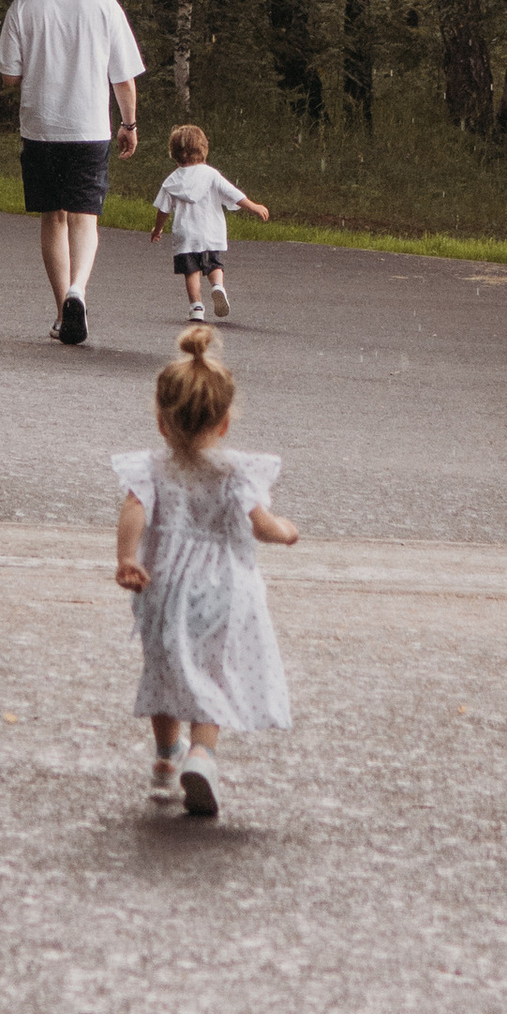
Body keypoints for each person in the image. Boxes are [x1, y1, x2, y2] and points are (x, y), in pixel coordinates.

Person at [113, 326, 299, 820]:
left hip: (163, 584)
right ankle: (202, 754)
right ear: (224, 423)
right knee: (212, 668)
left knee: (166, 663)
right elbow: (259, 525)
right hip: (224, 589)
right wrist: (285, 530)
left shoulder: (151, 468)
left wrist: (127, 559)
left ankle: (164, 756)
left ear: (161, 421)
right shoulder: (236, 472)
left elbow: (134, 510)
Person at [0, 0, 145, 347]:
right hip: (90, 126)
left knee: (53, 217)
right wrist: (129, 123)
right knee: (84, 217)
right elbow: (124, 77)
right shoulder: (105, 6)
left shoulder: (24, 6)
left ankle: (62, 312)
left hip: (42, 127)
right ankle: (79, 289)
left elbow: (9, 76)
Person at [152, 122, 269, 323]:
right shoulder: (211, 174)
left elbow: (163, 210)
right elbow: (233, 194)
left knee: (191, 271)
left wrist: (158, 228)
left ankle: (196, 307)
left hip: (186, 234)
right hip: (211, 230)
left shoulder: (171, 181)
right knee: (214, 264)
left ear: (174, 152)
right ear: (203, 149)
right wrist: (253, 206)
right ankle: (217, 287)